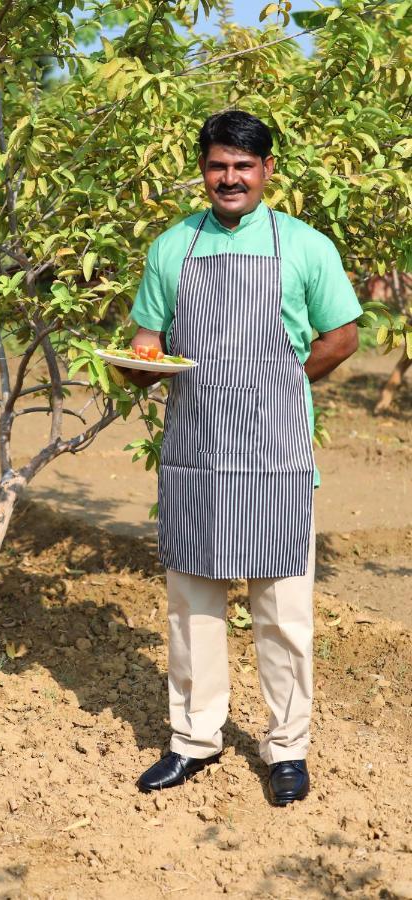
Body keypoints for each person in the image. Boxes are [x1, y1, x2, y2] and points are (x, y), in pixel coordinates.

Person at [126, 110, 362, 805]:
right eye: (217, 165)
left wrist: (285, 381)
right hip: (197, 454)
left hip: (276, 459)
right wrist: (135, 366)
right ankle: (194, 740)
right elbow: (147, 341)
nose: (229, 178)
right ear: (203, 171)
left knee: (282, 615)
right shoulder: (173, 248)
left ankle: (286, 748)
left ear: (266, 170)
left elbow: (343, 336)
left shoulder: (306, 247)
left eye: (243, 166)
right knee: (192, 609)